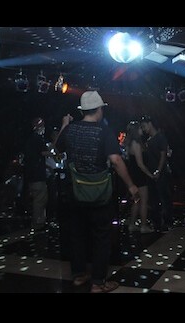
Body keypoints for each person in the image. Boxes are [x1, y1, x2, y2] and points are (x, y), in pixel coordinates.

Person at [56, 91, 139, 293]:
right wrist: (131, 185)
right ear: (99, 109)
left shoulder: (71, 129)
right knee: (101, 237)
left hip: (76, 192)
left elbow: (58, 148)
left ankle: (79, 275)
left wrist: (65, 125)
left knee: (77, 235)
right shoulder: (104, 131)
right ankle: (98, 282)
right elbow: (116, 160)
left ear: (82, 111)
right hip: (100, 193)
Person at [140, 115, 173, 232]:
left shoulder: (160, 137)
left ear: (150, 124)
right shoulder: (148, 140)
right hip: (151, 173)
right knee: (154, 199)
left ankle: (167, 222)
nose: (143, 129)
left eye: (144, 126)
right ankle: (157, 222)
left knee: (164, 197)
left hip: (161, 173)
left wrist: (158, 170)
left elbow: (163, 156)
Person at [124, 121, 155, 234]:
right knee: (143, 201)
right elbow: (140, 164)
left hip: (133, 175)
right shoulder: (136, 143)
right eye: (140, 128)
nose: (142, 129)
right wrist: (150, 175)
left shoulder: (130, 143)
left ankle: (132, 224)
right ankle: (143, 226)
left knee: (136, 201)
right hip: (139, 175)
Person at [23, 117, 50, 230]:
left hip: (31, 175)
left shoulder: (29, 140)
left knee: (37, 199)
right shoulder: (37, 139)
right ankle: (38, 223)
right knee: (40, 200)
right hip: (38, 176)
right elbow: (44, 152)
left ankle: (39, 222)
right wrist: (53, 153)